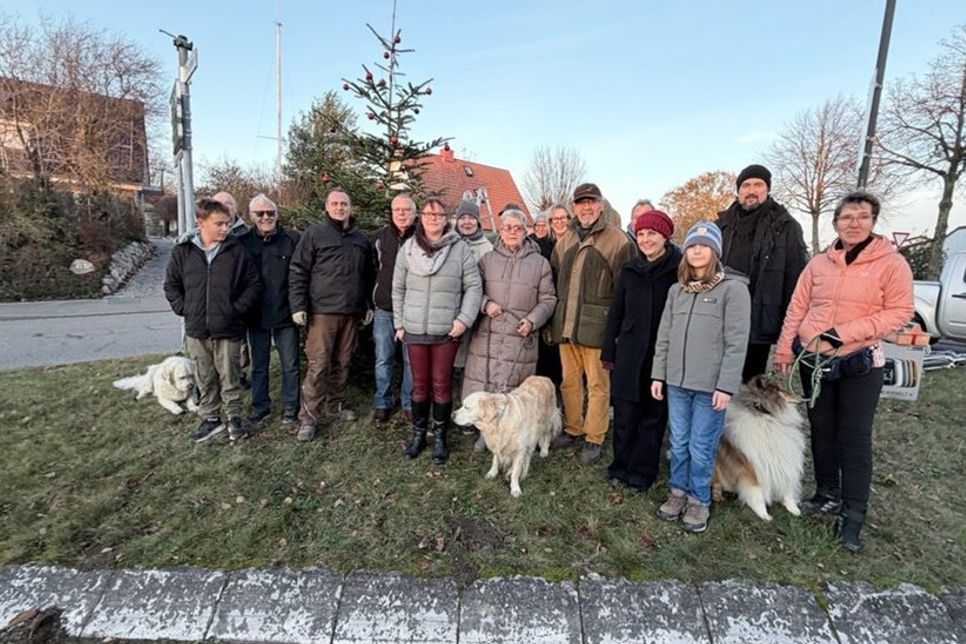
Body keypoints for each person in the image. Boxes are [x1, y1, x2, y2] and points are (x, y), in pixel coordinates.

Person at [773, 191, 913, 553]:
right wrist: (786, 346)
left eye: (862, 217)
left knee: (854, 437)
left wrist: (845, 333)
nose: (854, 223)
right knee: (822, 428)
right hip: (814, 359)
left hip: (858, 359)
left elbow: (899, 312)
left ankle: (853, 514)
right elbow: (797, 306)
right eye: (847, 217)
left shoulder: (890, 264)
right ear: (836, 223)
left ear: (872, 221)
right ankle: (826, 493)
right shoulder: (819, 264)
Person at [651, 220, 750, 533]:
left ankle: (699, 500)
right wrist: (658, 375)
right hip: (677, 383)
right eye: (692, 245)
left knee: (700, 447)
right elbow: (664, 336)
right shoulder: (676, 292)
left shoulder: (733, 290)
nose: (696, 251)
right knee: (679, 443)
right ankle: (678, 492)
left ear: (715, 252)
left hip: (710, 388)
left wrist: (726, 385)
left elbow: (736, 342)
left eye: (704, 246)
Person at [549, 183, 636, 463]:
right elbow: (554, 280)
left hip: (597, 329)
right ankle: (573, 427)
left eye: (591, 202)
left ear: (601, 205)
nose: (586, 207)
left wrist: (619, 329)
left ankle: (594, 436)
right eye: (581, 202)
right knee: (569, 382)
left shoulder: (617, 240)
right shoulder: (565, 240)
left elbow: (626, 289)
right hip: (566, 326)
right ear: (574, 207)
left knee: (598, 385)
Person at [163, 197, 262, 443]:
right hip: (197, 329)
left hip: (229, 327)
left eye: (227, 224)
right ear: (201, 222)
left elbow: (253, 284)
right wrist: (184, 309)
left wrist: (236, 310)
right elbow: (171, 285)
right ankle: (210, 418)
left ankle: (234, 417)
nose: (225, 229)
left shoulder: (236, 251)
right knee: (205, 375)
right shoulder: (183, 252)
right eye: (219, 224)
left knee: (230, 375)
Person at [393, 198, 483, 463]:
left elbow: (474, 287)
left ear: (447, 219)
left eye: (439, 214)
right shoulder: (408, 249)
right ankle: (419, 435)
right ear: (421, 217)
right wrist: (399, 323)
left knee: (442, 386)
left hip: (447, 332)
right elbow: (397, 288)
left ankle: (440, 437)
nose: (434, 218)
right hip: (415, 330)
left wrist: (464, 319)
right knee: (419, 387)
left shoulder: (460, 249)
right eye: (429, 213)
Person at [461, 208, 557, 449]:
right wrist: (486, 304)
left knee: (512, 389)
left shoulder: (540, 263)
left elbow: (548, 299)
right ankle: (486, 433)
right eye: (507, 227)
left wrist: (533, 320)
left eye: (518, 227)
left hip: (519, 335)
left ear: (526, 231)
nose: (512, 231)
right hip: (489, 332)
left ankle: (514, 434)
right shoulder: (486, 260)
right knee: (486, 382)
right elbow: (472, 290)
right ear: (500, 231)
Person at [602, 210, 682, 492]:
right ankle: (619, 466)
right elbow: (616, 312)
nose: (646, 239)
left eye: (653, 234)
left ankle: (641, 472)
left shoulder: (678, 269)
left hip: (661, 355)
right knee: (624, 414)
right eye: (642, 234)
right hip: (629, 352)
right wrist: (608, 351)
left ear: (665, 237)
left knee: (652, 416)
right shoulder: (630, 269)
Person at [288, 188, 374, 442]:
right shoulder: (315, 234)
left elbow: (368, 276)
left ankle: (334, 406)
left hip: (352, 312)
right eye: (335, 203)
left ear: (350, 207)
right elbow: (298, 270)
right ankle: (309, 417)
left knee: (343, 362)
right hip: (322, 312)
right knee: (319, 364)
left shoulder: (360, 239)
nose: (339, 207)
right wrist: (298, 306)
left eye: (344, 203)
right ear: (327, 208)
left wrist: (367, 304)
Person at [717, 164, 808, 382]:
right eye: (746, 185)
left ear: (767, 189)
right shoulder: (722, 225)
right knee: (717, 379)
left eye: (759, 185)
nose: (751, 190)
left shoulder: (786, 226)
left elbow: (796, 280)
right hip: (722, 316)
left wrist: (789, 332)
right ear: (738, 191)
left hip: (760, 318)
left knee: (750, 383)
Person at [236, 193, 301, 429]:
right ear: (251, 216)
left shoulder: (293, 239)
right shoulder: (242, 242)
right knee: (259, 366)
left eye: (270, 213)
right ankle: (260, 407)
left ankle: (291, 407)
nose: (266, 217)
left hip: (286, 314)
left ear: (277, 214)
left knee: (290, 365)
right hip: (256, 316)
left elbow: (302, 273)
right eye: (260, 213)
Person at [371, 194, 417, 424]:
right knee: (383, 358)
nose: (401, 213)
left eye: (406, 209)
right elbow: (370, 270)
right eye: (397, 209)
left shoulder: (422, 237)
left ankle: (408, 403)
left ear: (414, 213)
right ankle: (383, 402)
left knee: (411, 360)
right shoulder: (379, 238)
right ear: (391, 212)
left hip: (412, 311)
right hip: (384, 309)